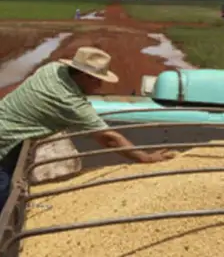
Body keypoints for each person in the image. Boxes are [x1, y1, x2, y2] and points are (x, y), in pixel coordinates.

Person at [0, 46, 176, 212]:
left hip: (9, 132)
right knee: (3, 197)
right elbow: (109, 138)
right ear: (85, 76)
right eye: (98, 80)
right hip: (4, 145)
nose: (99, 86)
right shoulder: (70, 102)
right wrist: (146, 158)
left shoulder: (52, 69)